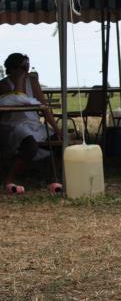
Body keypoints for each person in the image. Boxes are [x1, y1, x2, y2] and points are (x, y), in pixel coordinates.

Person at [0, 53, 63, 195]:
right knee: (30, 146)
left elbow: (44, 107)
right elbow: (19, 98)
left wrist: (57, 129)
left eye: (27, 66)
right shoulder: (3, 85)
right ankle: (10, 180)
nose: (26, 70)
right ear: (13, 68)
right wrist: (20, 79)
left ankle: (52, 178)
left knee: (57, 142)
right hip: (14, 125)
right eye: (23, 67)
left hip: (33, 123)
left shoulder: (33, 83)